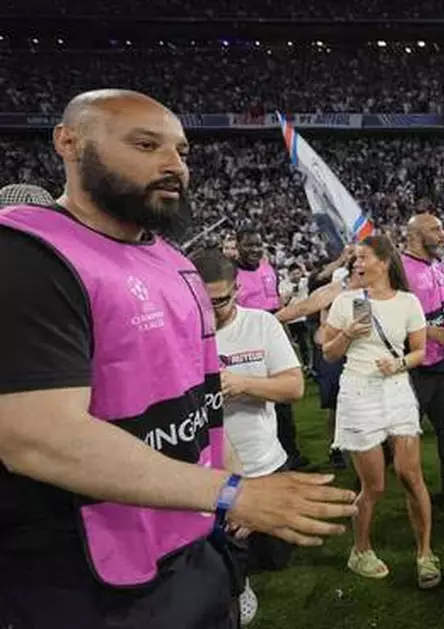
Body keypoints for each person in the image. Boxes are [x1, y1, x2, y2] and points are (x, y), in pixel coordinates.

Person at [0, 88, 355, 629]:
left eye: (182, 152)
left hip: (190, 553)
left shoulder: (173, 263)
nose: (173, 165)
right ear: (68, 143)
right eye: (146, 145)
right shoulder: (28, 255)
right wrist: (232, 493)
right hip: (78, 580)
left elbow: (199, 399)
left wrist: (232, 480)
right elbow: (35, 437)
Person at [193, 248, 307, 625]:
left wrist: (243, 384)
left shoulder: (260, 324)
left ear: (237, 290)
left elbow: (293, 387)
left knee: (275, 558)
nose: (212, 310)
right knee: (222, 565)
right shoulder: (181, 330)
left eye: (221, 300)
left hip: (264, 463)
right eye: (203, 301)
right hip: (208, 473)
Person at [323, 235, 441, 588]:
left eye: (363, 257)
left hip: (396, 389)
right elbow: (329, 353)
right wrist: (347, 334)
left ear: (384, 262)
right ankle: (360, 551)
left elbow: (420, 351)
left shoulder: (407, 302)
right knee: (373, 486)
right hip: (358, 392)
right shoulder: (346, 302)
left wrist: (399, 363)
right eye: (355, 258)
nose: (356, 263)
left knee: (410, 474)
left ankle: (425, 553)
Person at [402, 213, 444, 508]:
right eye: (436, 229)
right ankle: (370, 487)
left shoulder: (439, 267)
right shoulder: (398, 271)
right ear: (415, 235)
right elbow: (385, 314)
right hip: (413, 367)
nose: (443, 234)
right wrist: (431, 333)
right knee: (400, 436)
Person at [234, 228, 305, 470]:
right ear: (238, 246)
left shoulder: (268, 268)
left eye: (258, 245)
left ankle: (291, 453)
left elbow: (276, 303)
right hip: (248, 343)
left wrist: (285, 338)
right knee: (258, 402)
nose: (254, 250)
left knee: (284, 401)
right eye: (249, 245)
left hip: (273, 333)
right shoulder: (232, 274)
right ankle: (264, 457)